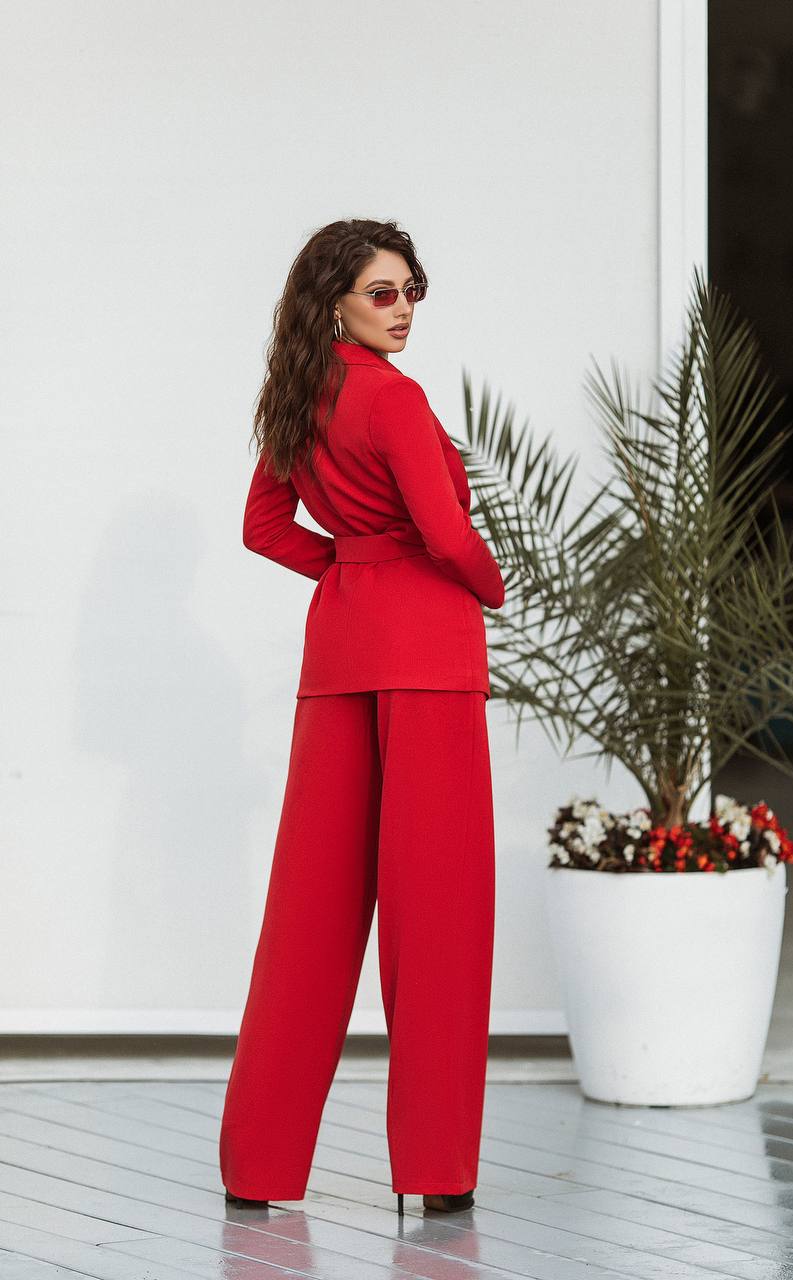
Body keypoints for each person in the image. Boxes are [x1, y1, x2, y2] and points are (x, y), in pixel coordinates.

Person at [219, 218, 505, 1218]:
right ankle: (436, 1167)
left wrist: (346, 565)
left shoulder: (298, 395)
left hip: (341, 654)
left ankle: (256, 1166)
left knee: (309, 909)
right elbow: (445, 531)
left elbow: (265, 527)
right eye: (383, 292)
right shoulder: (394, 398)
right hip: (426, 654)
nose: (404, 309)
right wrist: (489, 584)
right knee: (439, 913)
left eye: (411, 290)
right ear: (335, 297)